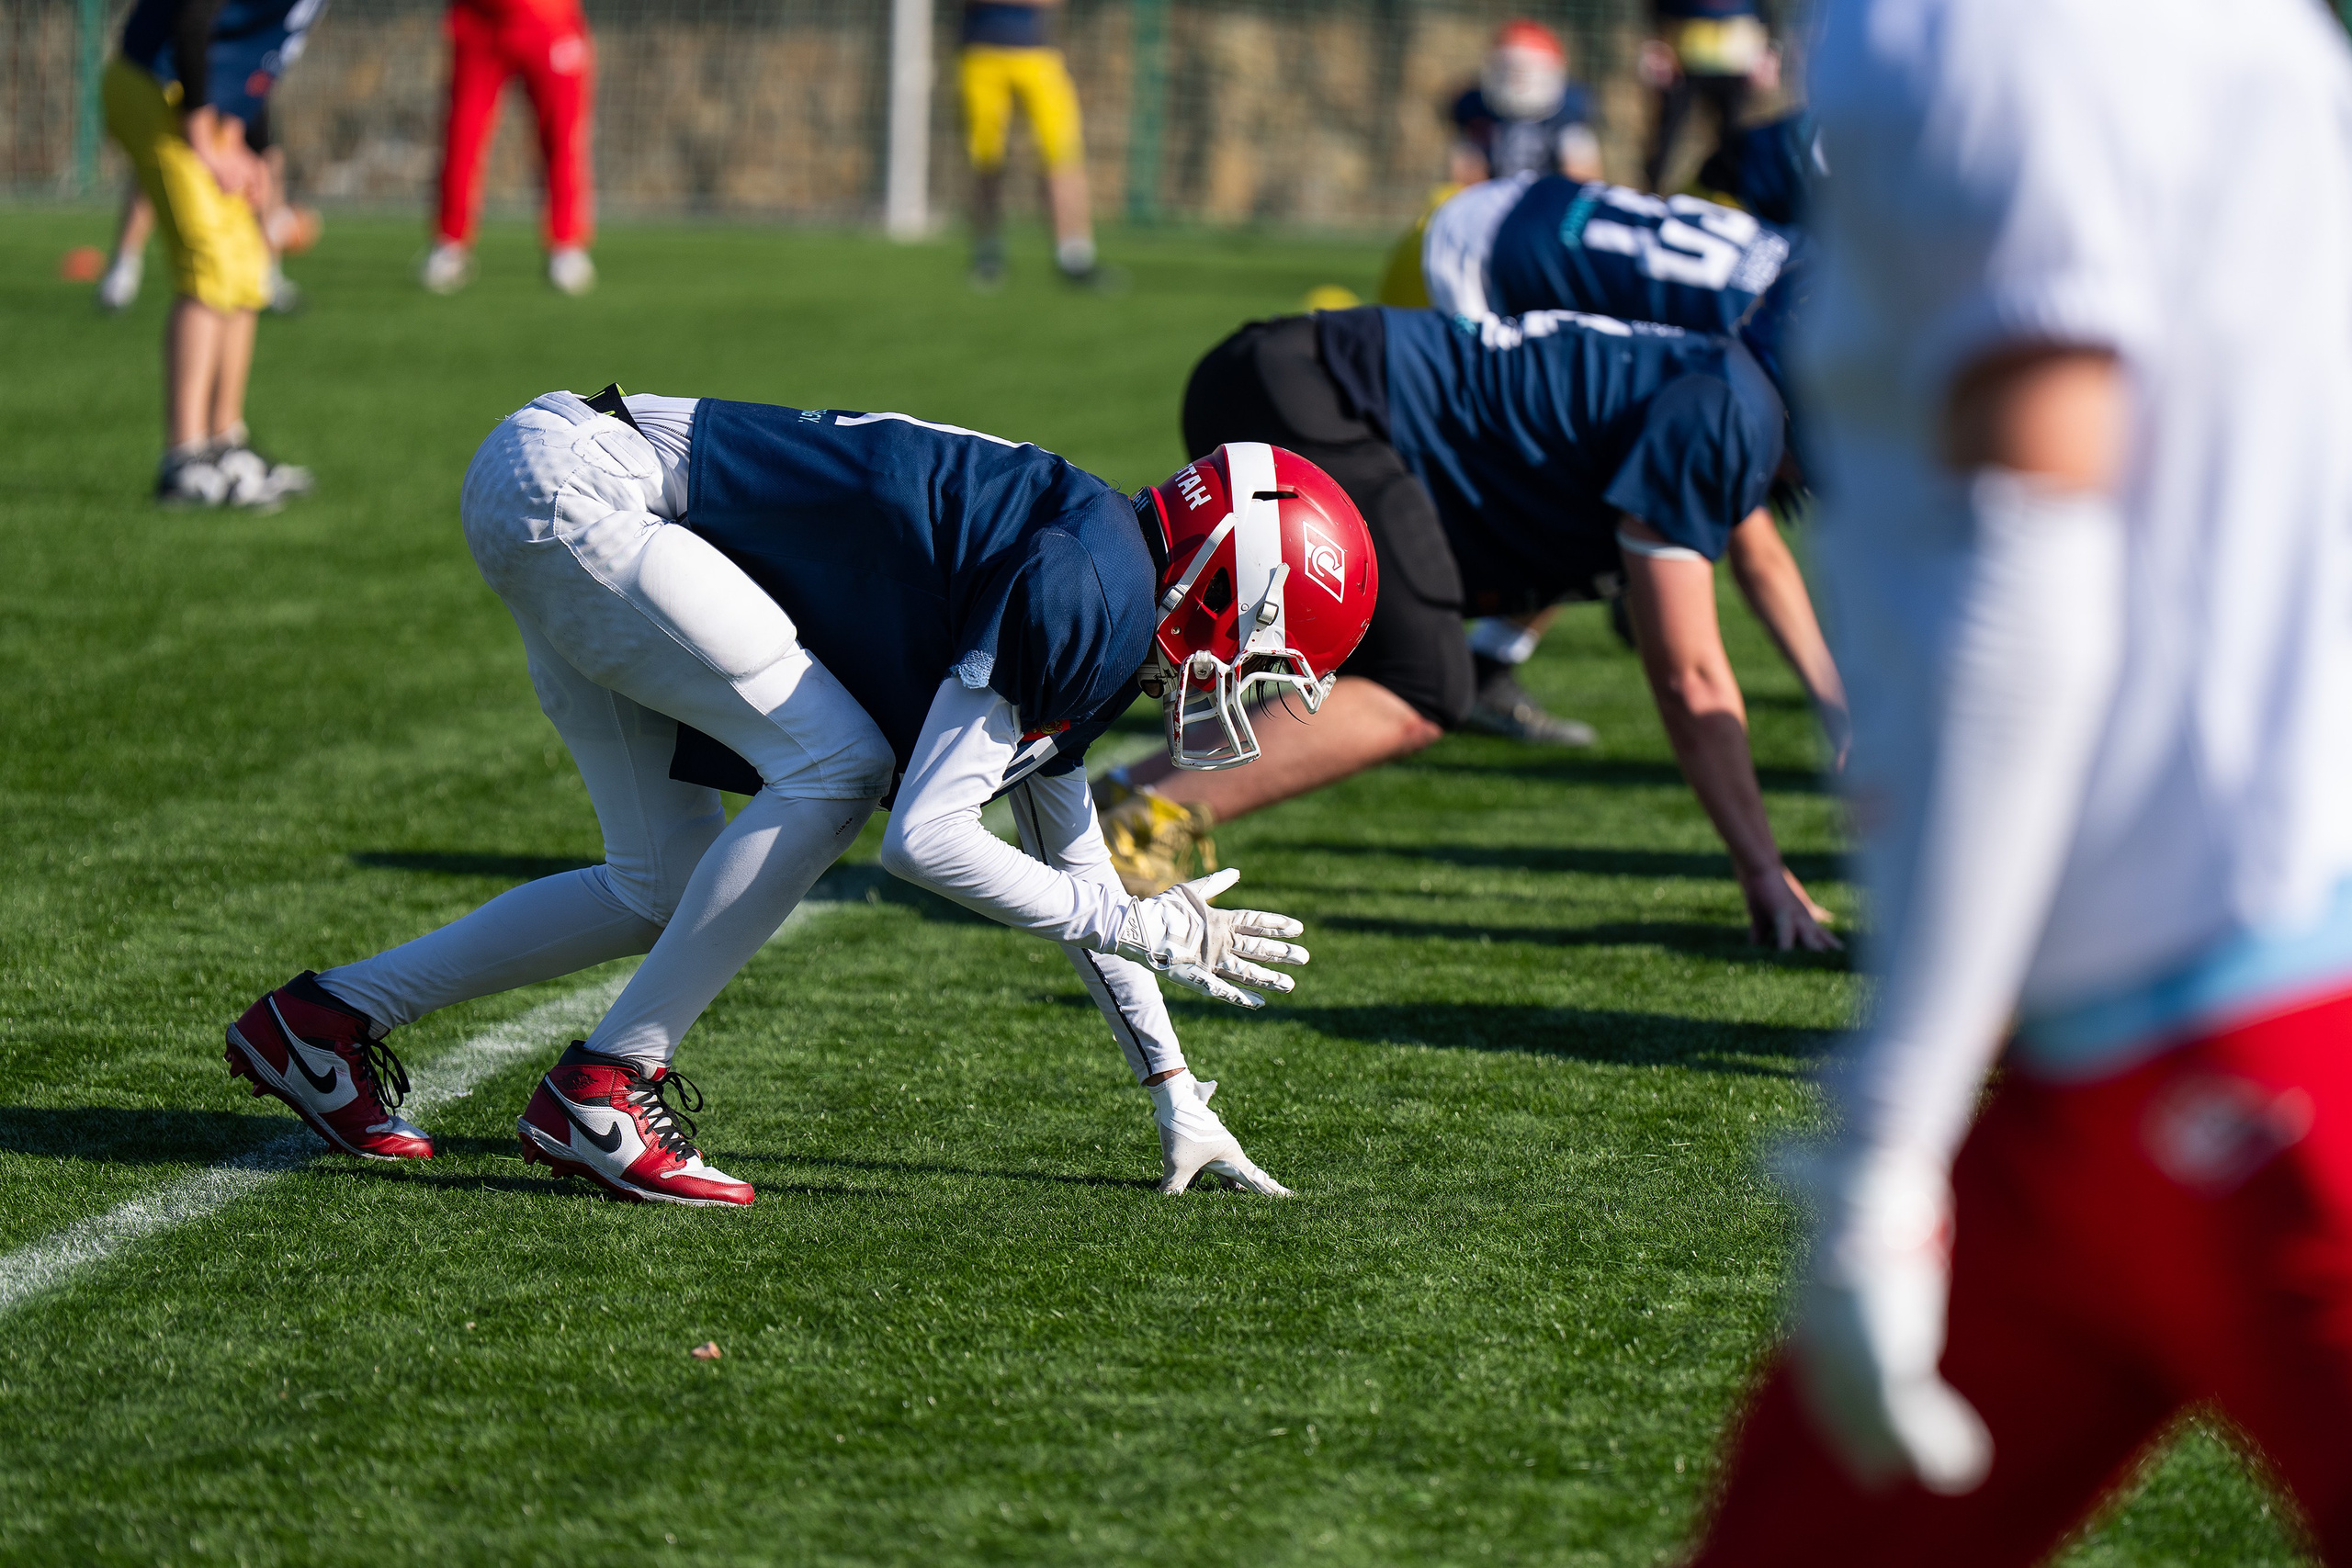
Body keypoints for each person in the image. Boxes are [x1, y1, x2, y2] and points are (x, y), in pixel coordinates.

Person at [1686, 0, 2352, 1560]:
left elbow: (2038, 563)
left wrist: (1893, 1130)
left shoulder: (2002, 29)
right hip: (2107, 1071)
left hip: (2247, 1046)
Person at [221, 389, 1376, 1206]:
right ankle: (606, 1090)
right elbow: (925, 843)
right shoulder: (1090, 590)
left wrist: (1173, 1088)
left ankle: (324, 1020)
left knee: (657, 887)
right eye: (1261, 657)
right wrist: (1142, 920)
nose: (1241, 690)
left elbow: (1069, 861)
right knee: (839, 770)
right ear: (1218, 580)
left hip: (571, 484)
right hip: (592, 492)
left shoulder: (1104, 577)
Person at [1097, 306, 1846, 956]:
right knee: (1425, 682)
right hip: (1319, 396)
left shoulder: (1731, 397)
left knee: (1404, 663)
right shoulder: (1726, 413)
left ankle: (1117, 796)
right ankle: (1133, 822)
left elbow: (1764, 562)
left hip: (1301, 376)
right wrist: (1761, 870)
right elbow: (1691, 678)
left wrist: (1837, 701)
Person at [1419, 152, 1811, 746]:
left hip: (1529, 206)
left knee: (1615, 484)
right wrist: (1839, 703)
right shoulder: (1762, 339)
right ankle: (1420, 644)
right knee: (1568, 495)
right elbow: (1759, 557)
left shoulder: (1806, 271)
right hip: (1485, 258)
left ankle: (1483, 661)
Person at [106, 0, 318, 506]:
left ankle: (225, 443)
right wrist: (201, 131)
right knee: (212, 264)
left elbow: (255, 58)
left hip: (210, 106)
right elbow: (193, 14)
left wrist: (254, 149)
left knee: (248, 265)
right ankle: (184, 459)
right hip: (157, 87)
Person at [420, 0, 596, 296]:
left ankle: (566, 245)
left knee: (562, 138)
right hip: (479, 22)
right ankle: (450, 243)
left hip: (550, 21)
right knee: (462, 136)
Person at [97, 107, 322, 316]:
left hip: (237, 86)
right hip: (188, 86)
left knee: (268, 160)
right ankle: (123, 269)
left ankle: (267, 273)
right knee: (158, 160)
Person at [959, 0, 1105, 290]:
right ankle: (987, 254)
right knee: (986, 160)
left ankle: (1075, 256)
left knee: (1062, 156)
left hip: (1038, 55)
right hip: (980, 55)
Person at [1639, 0, 1773, 194]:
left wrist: (1768, 49)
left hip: (1736, 64)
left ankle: (1730, 199)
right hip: (1682, 62)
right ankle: (1650, 196)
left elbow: (1763, 8)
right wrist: (1656, 43)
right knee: (1665, 139)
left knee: (1734, 143)